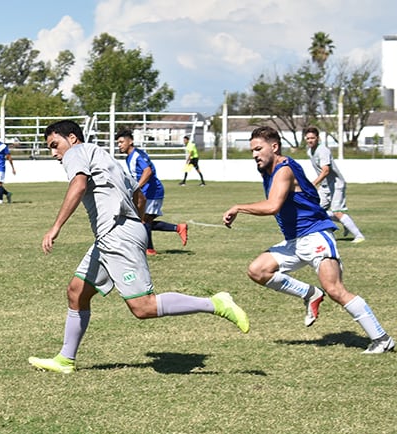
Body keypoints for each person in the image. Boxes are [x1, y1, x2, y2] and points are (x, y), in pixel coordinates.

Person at [27, 120, 249, 374]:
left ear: (73, 138)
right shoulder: (105, 157)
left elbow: (77, 185)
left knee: (143, 307)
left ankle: (216, 303)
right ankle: (65, 359)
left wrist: (55, 227)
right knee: (77, 292)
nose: (54, 153)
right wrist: (137, 227)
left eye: (55, 145)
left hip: (117, 235)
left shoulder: (76, 153)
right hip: (114, 234)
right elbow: (139, 197)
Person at [222, 126, 393, 354]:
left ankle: (381, 338)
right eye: (252, 150)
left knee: (335, 290)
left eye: (258, 149)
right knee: (257, 270)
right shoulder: (268, 170)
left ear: (274, 147)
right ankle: (309, 293)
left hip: (315, 236)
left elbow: (273, 206)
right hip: (295, 240)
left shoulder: (284, 170)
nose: (254, 155)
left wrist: (238, 207)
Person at [115, 129, 188, 255]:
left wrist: (136, 187)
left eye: (121, 142)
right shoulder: (129, 158)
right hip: (144, 192)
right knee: (142, 221)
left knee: (144, 221)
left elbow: (147, 171)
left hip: (152, 191)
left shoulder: (138, 155)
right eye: (118, 143)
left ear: (130, 141)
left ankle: (149, 249)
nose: (119, 145)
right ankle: (178, 228)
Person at [304, 126, 365, 243]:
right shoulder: (309, 152)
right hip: (325, 185)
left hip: (336, 185)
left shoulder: (323, 151)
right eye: (308, 138)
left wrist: (314, 183)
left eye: (312, 138)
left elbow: (326, 170)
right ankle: (345, 221)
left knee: (336, 212)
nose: (310, 140)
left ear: (318, 138)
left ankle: (359, 236)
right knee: (317, 211)